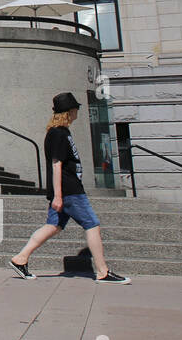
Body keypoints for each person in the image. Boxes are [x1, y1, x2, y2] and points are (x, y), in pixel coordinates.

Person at [9, 92, 130, 283]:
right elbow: (56, 164)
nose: (78, 112)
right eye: (76, 109)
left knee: (53, 226)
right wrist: (58, 195)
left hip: (66, 189)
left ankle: (20, 258)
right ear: (69, 111)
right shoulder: (58, 133)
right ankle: (102, 271)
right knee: (92, 224)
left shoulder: (61, 132)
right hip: (69, 190)